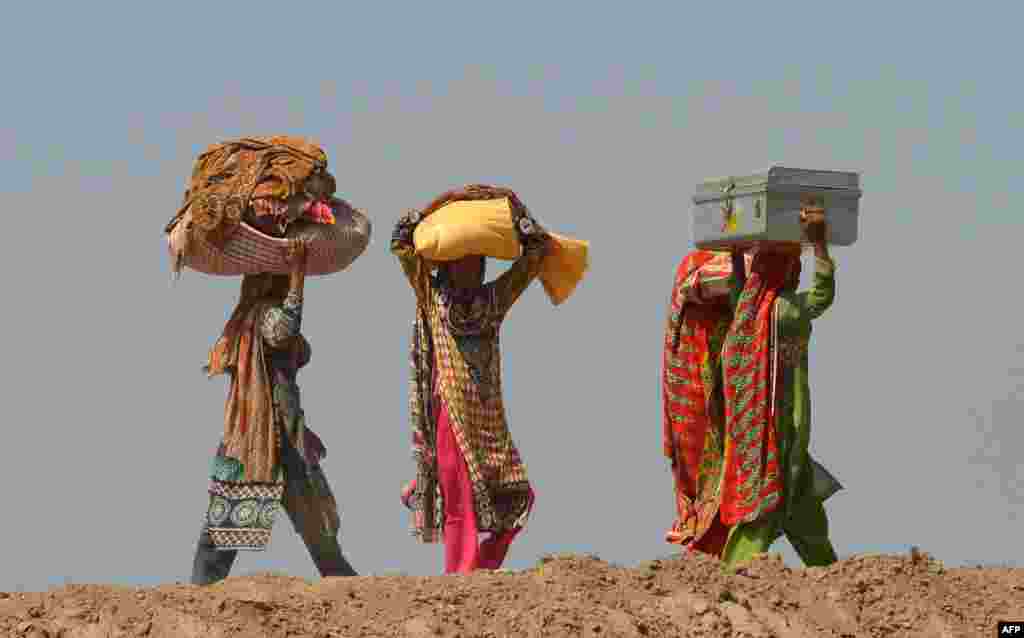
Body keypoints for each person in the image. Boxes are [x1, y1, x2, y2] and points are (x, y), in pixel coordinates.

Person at [391, 192, 549, 574]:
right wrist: (421, 217)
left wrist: (524, 223)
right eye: (463, 261)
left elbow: (533, 261)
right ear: (446, 265)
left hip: (488, 421)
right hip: (451, 414)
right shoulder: (431, 298)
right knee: (459, 502)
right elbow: (401, 248)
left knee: (520, 498)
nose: (473, 269)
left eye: (478, 261)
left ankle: (480, 570)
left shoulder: (493, 300)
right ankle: (460, 575)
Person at [190, 240, 358, 585]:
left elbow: (284, 364)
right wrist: (298, 274)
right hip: (255, 436)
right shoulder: (262, 314)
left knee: (315, 526)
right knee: (225, 526)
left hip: (282, 433)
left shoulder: (250, 317)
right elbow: (283, 331)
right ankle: (197, 596)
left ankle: (344, 583)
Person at [717, 200, 842, 568]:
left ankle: (734, 578)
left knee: (786, 507)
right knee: (788, 507)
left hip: (759, 439)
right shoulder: (787, 310)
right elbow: (823, 296)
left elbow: (738, 284)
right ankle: (828, 580)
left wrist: (736, 249)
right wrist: (819, 243)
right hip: (785, 427)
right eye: (795, 265)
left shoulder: (747, 311)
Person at [662, 249, 752, 557]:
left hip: (725, 387)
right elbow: (721, 280)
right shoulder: (696, 264)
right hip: (695, 392)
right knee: (703, 471)